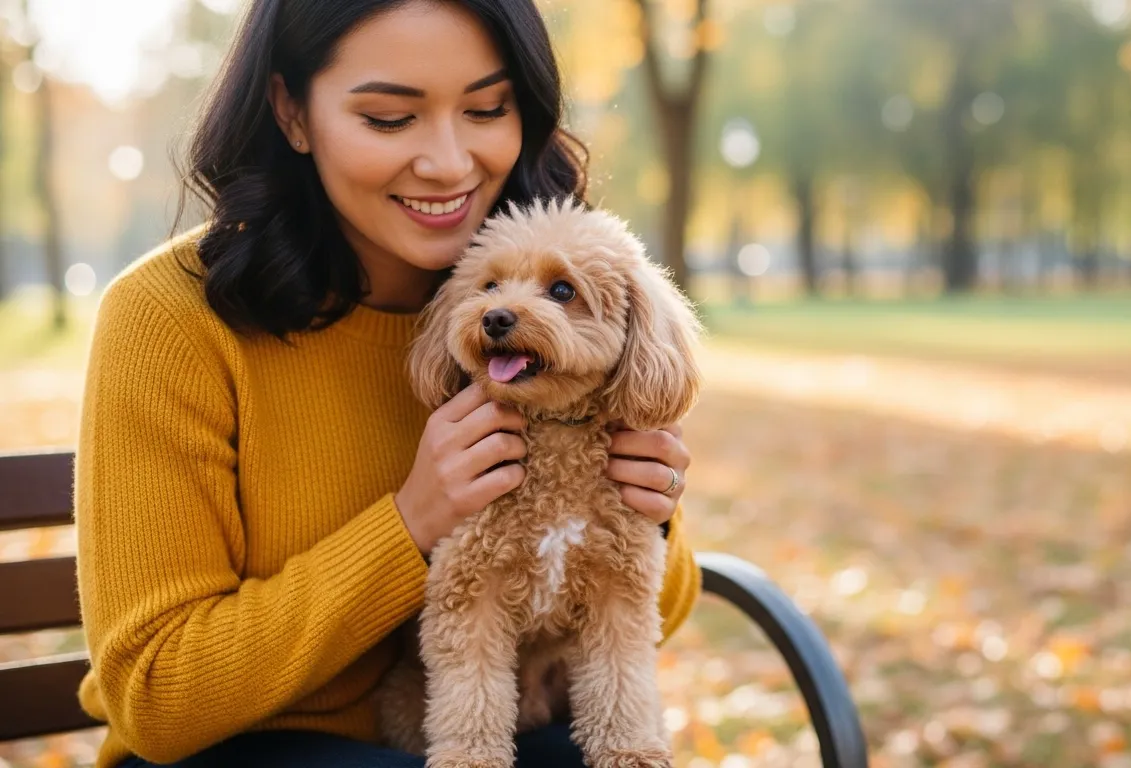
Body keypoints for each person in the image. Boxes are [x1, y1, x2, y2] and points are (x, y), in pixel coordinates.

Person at [73, 1, 700, 766]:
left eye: (486, 108)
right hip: (242, 749)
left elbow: (638, 619)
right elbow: (157, 698)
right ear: (291, 112)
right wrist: (409, 525)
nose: (447, 162)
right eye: (389, 118)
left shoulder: (560, 311)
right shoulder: (168, 320)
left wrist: (650, 517)